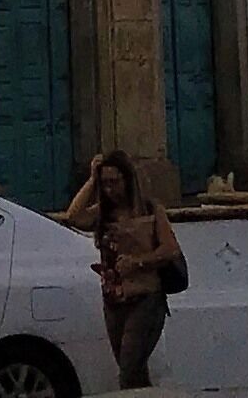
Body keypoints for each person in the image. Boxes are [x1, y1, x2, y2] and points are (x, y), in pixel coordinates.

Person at [64, 150, 184, 390]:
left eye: (114, 182)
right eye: (105, 183)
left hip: (145, 299)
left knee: (129, 369)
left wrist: (139, 262)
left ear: (127, 180)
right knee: (133, 373)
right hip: (114, 302)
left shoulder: (149, 210)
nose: (110, 189)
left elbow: (170, 249)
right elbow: (74, 216)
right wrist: (92, 180)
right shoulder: (103, 213)